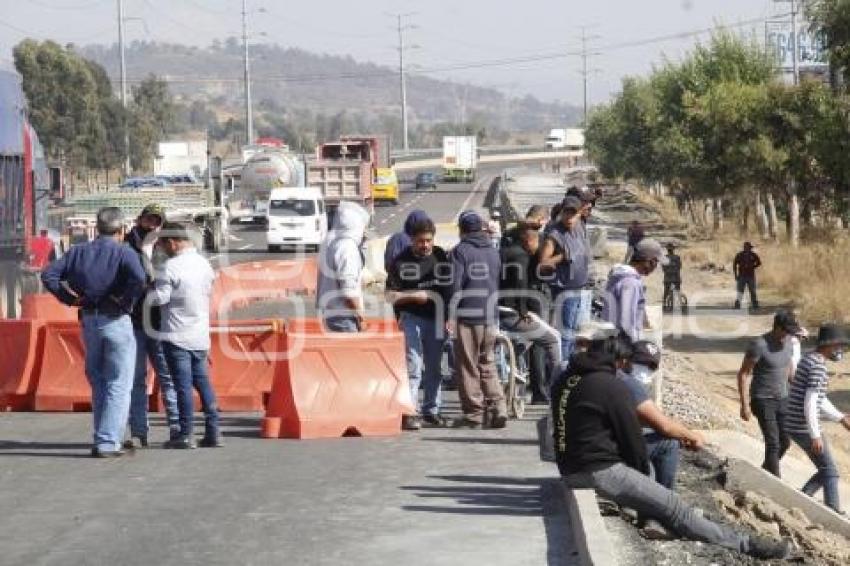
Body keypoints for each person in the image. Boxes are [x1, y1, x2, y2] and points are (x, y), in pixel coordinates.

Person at [552, 332, 792, 560]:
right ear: (621, 361)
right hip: (596, 471)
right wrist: (644, 477)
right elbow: (633, 442)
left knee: (658, 496)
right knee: (674, 505)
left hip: (571, 465)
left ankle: (656, 514)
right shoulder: (612, 386)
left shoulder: (569, 377)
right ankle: (747, 544)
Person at [41, 207, 146, 458]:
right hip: (116, 319)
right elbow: (140, 280)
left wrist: (70, 299)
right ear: (121, 231)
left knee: (99, 380)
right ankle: (108, 443)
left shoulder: (78, 252)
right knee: (119, 382)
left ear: (97, 229)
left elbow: (49, 274)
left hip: (89, 321)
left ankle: (102, 435)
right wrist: (125, 301)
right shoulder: (125, 252)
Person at [148, 222, 220, 449]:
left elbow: (161, 298)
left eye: (162, 244)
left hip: (176, 335)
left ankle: (186, 434)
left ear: (172, 242)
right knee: (203, 383)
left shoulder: (170, 267)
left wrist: (146, 292)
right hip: (200, 335)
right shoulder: (204, 264)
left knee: (182, 386)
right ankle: (213, 431)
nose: (161, 249)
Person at [385, 216, 451, 431]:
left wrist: (449, 316)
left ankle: (431, 410)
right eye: (421, 241)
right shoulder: (400, 263)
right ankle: (409, 412)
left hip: (436, 319)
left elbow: (448, 290)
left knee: (434, 368)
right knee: (413, 367)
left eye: (429, 241)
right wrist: (416, 296)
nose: (425, 245)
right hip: (411, 319)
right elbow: (390, 296)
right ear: (412, 240)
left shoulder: (441, 257)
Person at [124, 204, 180, 448]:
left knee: (168, 377)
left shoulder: (168, 249)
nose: (152, 225)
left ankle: (177, 428)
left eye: (157, 221)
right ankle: (138, 431)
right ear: (140, 220)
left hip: (160, 323)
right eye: (149, 220)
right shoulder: (126, 247)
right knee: (136, 379)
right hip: (134, 321)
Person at [618, 340, 705, 490]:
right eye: (641, 362)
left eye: (651, 366)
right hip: (612, 452)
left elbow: (651, 419)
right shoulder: (630, 385)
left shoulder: (618, 377)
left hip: (607, 444)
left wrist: (680, 432)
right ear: (628, 360)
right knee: (669, 444)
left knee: (662, 435)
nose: (646, 369)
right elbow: (665, 426)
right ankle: (667, 501)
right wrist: (692, 436)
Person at [449, 210, 506, 429]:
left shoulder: (460, 252)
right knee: (487, 364)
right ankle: (498, 408)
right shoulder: (493, 251)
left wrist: (450, 316)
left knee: (468, 367)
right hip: (491, 317)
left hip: (468, 317)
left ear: (462, 230)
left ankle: (474, 414)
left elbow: (455, 287)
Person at [785, 324, 850, 513]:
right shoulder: (818, 367)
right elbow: (811, 403)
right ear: (828, 345)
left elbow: (819, 398)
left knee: (825, 470)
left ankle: (801, 501)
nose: (840, 351)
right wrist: (815, 435)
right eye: (838, 346)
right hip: (802, 427)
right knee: (830, 472)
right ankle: (832, 512)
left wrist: (840, 417)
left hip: (795, 424)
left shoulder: (809, 359)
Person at [499, 221, 562, 404]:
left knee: (528, 338)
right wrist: (523, 310)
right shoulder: (522, 257)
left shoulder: (504, 252)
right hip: (512, 313)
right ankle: (558, 385)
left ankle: (518, 349)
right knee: (553, 338)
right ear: (529, 241)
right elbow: (520, 284)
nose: (539, 251)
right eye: (538, 245)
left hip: (496, 310)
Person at [737, 310, 799, 478]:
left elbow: (789, 367)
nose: (788, 336)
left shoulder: (789, 343)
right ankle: (776, 481)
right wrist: (744, 405)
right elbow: (743, 373)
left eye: (791, 333)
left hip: (783, 398)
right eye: (786, 331)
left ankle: (763, 473)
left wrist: (797, 388)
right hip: (762, 399)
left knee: (785, 442)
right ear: (777, 328)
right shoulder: (759, 345)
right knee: (773, 443)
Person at [539, 196, 590, 363]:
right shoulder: (554, 234)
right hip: (564, 292)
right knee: (566, 333)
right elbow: (542, 264)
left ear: (579, 214)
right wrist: (561, 257)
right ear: (561, 213)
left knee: (577, 333)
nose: (569, 217)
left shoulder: (580, 227)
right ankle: (561, 369)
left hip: (581, 289)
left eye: (573, 214)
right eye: (566, 213)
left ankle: (568, 366)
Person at [317, 201, 371, 332]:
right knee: (351, 352)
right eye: (364, 227)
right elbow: (348, 291)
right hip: (345, 317)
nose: (365, 231)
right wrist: (361, 318)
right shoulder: (347, 248)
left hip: (329, 313)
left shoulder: (329, 242)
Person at [602, 238, 667, 342]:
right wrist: (632, 348)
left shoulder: (618, 277)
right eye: (656, 262)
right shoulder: (630, 283)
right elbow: (626, 322)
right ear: (650, 261)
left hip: (610, 339)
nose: (656, 267)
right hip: (621, 346)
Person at [733, 242, 762, 310]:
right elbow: (734, 264)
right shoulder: (739, 255)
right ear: (744, 247)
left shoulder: (753, 255)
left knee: (752, 291)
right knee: (740, 290)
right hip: (741, 276)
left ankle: (755, 304)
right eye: (747, 247)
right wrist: (735, 275)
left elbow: (759, 263)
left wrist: (753, 266)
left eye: (749, 247)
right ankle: (738, 304)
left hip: (750, 275)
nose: (749, 249)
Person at [662, 243, 682, 307]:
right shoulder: (677, 257)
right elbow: (679, 267)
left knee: (666, 292)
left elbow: (663, 269)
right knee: (677, 291)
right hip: (676, 278)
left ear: (667, 250)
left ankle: (664, 304)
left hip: (667, 278)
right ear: (673, 249)